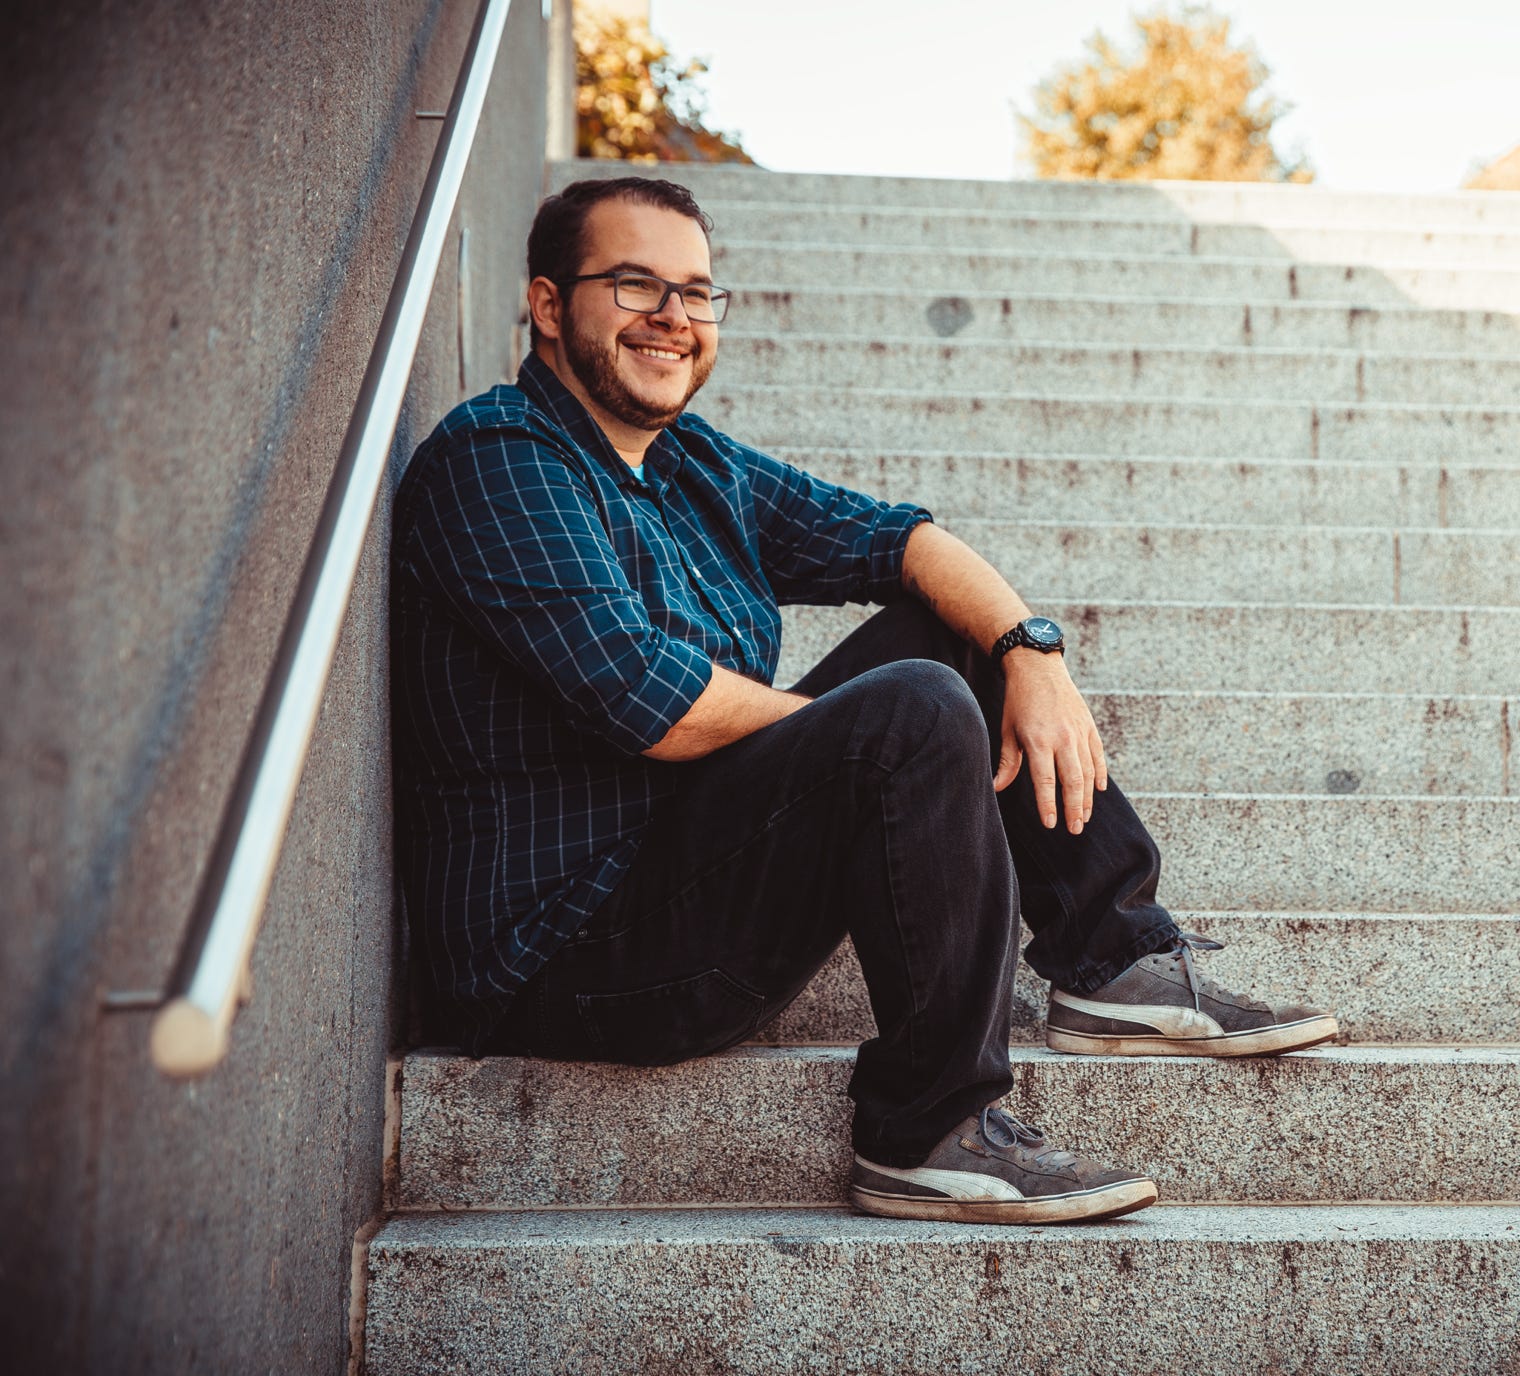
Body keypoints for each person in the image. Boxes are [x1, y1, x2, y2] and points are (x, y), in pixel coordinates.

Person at [390, 175, 1338, 1226]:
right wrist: (889, 749)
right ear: (546, 302)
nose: (672, 316)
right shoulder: (498, 458)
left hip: (690, 873)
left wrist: (1031, 650)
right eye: (632, 283)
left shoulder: (687, 461)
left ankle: (1110, 957)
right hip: (565, 953)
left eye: (697, 292)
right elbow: (645, 699)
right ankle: (926, 1131)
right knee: (915, 707)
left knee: (954, 640)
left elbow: (898, 540)